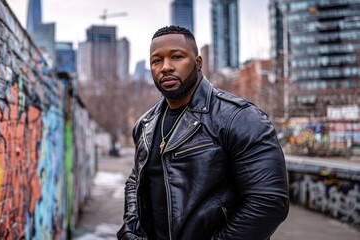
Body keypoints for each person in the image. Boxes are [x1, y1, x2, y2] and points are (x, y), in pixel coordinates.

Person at [117, 25, 289, 240]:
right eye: (156, 60)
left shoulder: (240, 118)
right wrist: (130, 230)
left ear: (198, 63)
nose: (166, 67)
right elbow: (136, 180)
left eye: (177, 57)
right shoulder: (145, 124)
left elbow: (268, 203)